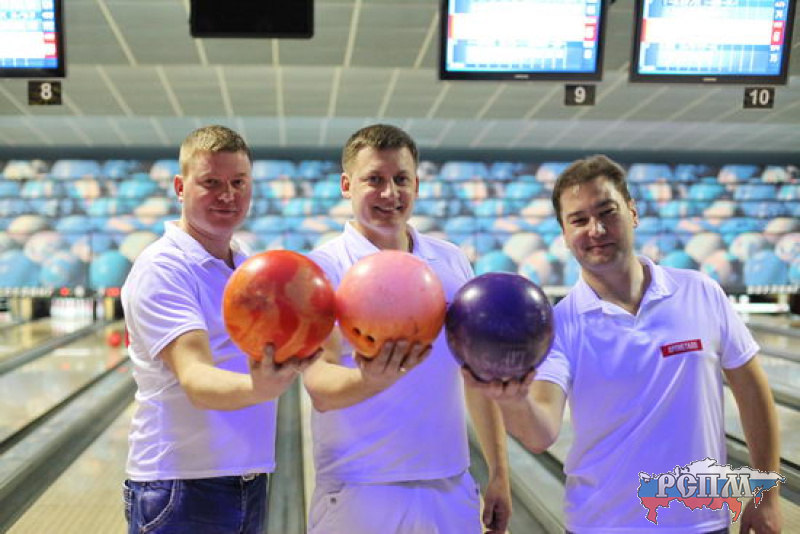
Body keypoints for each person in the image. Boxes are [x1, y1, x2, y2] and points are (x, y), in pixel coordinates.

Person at [464, 155, 783, 533]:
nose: (596, 229)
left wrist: (766, 495)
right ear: (564, 234)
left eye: (607, 212)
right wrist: (514, 400)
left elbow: (753, 392)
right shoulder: (559, 325)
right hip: (602, 524)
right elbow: (541, 432)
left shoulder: (700, 291)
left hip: (700, 522)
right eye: (579, 220)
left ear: (632, 213)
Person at [302, 124, 512, 534]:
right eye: (374, 179)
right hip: (359, 490)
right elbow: (318, 384)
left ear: (416, 184)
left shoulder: (451, 261)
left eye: (401, 179)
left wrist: (500, 473)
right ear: (346, 185)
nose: (390, 193)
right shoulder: (323, 269)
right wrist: (370, 379)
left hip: (449, 484)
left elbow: (476, 374)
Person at [121, 125, 316, 534]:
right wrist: (260, 387)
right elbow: (195, 376)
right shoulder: (163, 268)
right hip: (181, 488)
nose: (227, 195)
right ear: (180, 187)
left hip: (248, 479)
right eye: (211, 182)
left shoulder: (246, 266)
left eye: (238, 182)